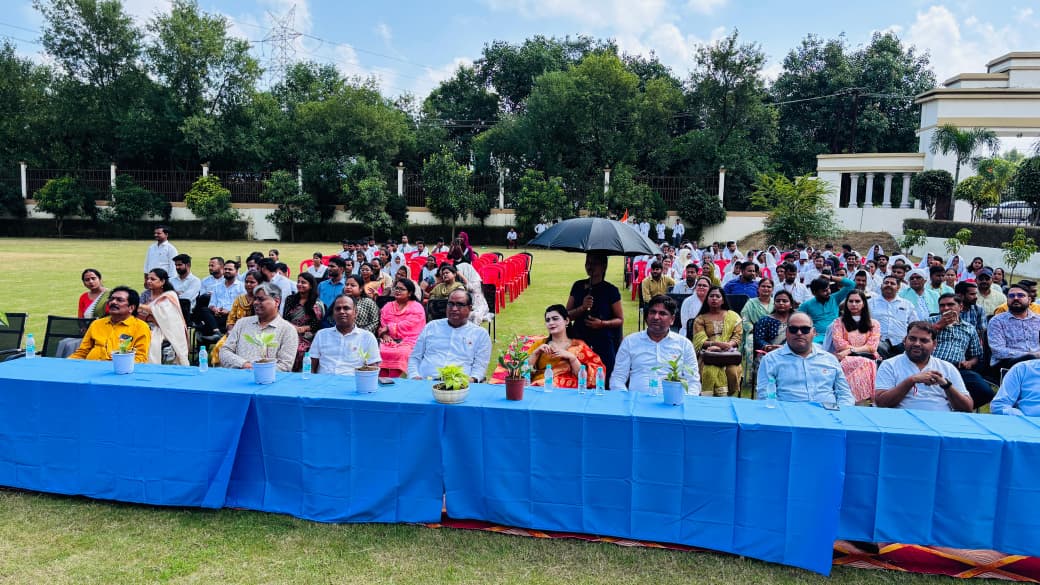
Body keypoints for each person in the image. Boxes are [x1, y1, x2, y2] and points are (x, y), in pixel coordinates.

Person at [756, 312, 853, 406]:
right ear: (786, 332)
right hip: (789, 414)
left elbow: (844, 394)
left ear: (814, 332)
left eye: (805, 329)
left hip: (828, 413)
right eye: (793, 329)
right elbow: (766, 396)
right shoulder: (770, 360)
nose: (799, 333)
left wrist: (842, 413)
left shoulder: (830, 359)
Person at [875, 321, 973, 412]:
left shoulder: (947, 367)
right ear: (905, 340)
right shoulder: (890, 365)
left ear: (934, 344)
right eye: (912, 339)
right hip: (902, 420)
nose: (917, 344)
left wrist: (946, 385)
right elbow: (881, 403)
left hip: (940, 421)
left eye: (924, 340)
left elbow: (967, 408)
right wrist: (911, 380)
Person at [611, 295, 699, 393]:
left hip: (673, 401)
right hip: (637, 400)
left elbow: (693, 382)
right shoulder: (630, 342)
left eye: (662, 313)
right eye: (652, 312)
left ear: (672, 319)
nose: (656, 317)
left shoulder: (684, 345)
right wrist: (626, 399)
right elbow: (617, 379)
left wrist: (684, 400)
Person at [407, 289, 493, 381]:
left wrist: (471, 380)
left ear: (469, 308)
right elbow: (415, 357)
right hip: (425, 382)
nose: (454, 309)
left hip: (459, 385)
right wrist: (414, 376)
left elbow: (480, 367)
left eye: (459, 304)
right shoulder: (432, 326)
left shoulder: (480, 334)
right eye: (450, 304)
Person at [515, 305, 606, 388]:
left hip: (569, 392)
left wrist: (572, 358)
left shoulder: (579, 346)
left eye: (555, 319)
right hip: (541, 388)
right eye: (548, 320)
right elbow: (521, 374)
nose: (551, 322)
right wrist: (535, 354)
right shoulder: (540, 345)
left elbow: (592, 376)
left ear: (566, 321)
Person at [566, 253, 624, 381]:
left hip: (603, 341)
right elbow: (566, 316)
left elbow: (619, 319)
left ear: (604, 267)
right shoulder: (578, 286)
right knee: (579, 376)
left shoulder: (611, 290)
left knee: (605, 377)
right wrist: (582, 308)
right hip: (579, 339)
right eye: (587, 262)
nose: (589, 266)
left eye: (594, 263)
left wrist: (602, 323)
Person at [928, 292, 992, 407]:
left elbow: (976, 356)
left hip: (957, 368)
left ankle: (956, 408)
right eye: (942, 305)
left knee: (985, 392)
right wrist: (938, 326)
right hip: (931, 365)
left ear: (960, 307)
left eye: (950, 305)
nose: (946, 308)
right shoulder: (929, 322)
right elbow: (918, 340)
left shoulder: (969, 328)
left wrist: (969, 363)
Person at [220, 283, 298, 372]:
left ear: (276, 302)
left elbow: (285, 366)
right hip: (239, 376)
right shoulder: (242, 323)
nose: (255, 302)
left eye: (261, 299)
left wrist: (256, 370)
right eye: (255, 299)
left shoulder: (288, 330)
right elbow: (224, 352)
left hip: (269, 379)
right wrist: (244, 364)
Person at [69, 286, 150, 363]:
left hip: (119, 369)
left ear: (131, 308)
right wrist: (66, 363)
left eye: (119, 300)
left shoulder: (141, 327)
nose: (113, 302)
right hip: (90, 366)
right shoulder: (97, 324)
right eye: (111, 299)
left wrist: (114, 365)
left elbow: (140, 358)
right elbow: (82, 352)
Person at [828, 290, 880, 404]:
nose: (854, 304)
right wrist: (856, 350)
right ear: (846, 303)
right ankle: (854, 400)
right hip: (844, 359)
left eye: (857, 301)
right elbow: (839, 344)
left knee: (865, 363)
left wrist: (850, 350)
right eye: (851, 301)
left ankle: (860, 401)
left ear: (863, 303)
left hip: (867, 358)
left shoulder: (874, 323)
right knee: (859, 363)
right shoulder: (838, 322)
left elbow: (872, 347)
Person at [309, 295, 381, 375]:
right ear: (333, 314)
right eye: (338, 309)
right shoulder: (321, 335)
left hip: (353, 381)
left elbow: (372, 369)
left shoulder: (367, 338)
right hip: (324, 380)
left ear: (355, 313)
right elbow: (312, 367)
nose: (341, 311)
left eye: (346, 308)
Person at [692, 286, 743, 397]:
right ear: (707, 299)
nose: (714, 298)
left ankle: (727, 397)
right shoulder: (700, 318)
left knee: (732, 371)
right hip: (708, 355)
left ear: (723, 300)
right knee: (708, 371)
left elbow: (737, 337)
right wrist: (716, 345)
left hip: (728, 354)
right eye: (711, 296)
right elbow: (699, 341)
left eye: (717, 296)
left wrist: (727, 345)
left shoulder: (733, 316)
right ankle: (709, 399)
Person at [137, 268, 189, 366]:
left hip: (165, 329)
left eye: (153, 279)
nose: (149, 281)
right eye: (148, 278)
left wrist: (143, 308)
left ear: (162, 281)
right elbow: (138, 312)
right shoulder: (145, 294)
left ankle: (153, 368)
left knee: (152, 342)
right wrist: (148, 315)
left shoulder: (170, 295)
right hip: (144, 324)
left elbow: (166, 317)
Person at [377, 278, 427, 377]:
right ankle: (381, 380)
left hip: (409, 340)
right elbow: (382, 325)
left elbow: (411, 324)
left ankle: (398, 381)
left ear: (410, 293)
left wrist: (389, 328)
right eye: (396, 288)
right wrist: (384, 334)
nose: (398, 291)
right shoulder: (387, 306)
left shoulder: (417, 307)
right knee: (378, 352)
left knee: (402, 353)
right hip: (389, 340)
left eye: (402, 289)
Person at [988, 284, 1040, 371]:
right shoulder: (997, 321)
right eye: (1011, 296)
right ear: (1007, 299)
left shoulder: (1038, 320)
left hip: (1036, 362)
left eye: (1021, 295)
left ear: (1029, 300)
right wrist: (1031, 355)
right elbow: (998, 351)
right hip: (1006, 363)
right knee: (1030, 359)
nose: (1015, 298)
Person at [282, 273, 325, 372]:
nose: (299, 284)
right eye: (298, 282)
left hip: (308, 336)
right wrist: (293, 328)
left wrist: (302, 329)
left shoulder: (316, 303)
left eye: (303, 282)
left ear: (311, 286)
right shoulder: (290, 299)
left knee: (301, 349)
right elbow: (285, 318)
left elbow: (318, 324)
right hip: (290, 331)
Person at [799, 274, 855, 344]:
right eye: (824, 291)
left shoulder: (835, 298)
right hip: (818, 337)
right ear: (814, 293)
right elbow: (796, 319)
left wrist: (830, 277)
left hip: (837, 334)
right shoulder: (807, 305)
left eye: (828, 289)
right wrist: (808, 331)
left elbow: (851, 284)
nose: (828, 292)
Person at [317, 257, 347, 322]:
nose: (329, 268)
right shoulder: (322, 285)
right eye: (329, 266)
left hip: (340, 320)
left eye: (332, 266)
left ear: (341, 269)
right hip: (322, 320)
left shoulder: (347, 286)